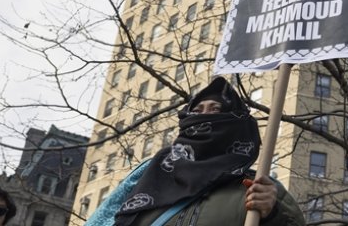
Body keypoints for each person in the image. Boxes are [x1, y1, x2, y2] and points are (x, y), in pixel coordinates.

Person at [86, 76, 304, 226]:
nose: (204, 116)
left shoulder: (260, 190)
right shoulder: (149, 179)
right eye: (197, 111)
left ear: (236, 123)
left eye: (215, 109)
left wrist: (273, 214)